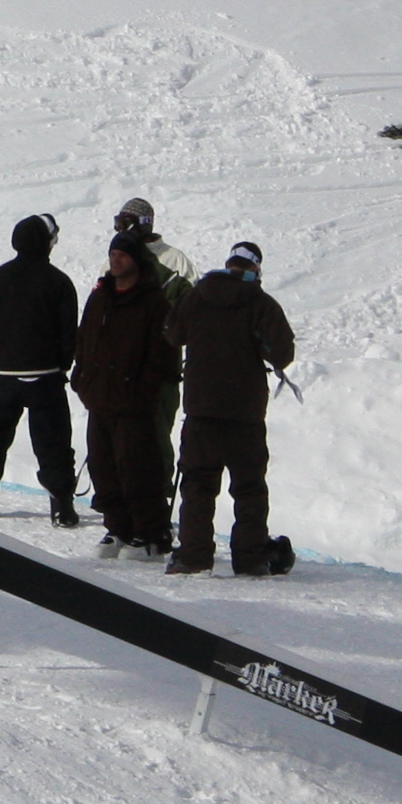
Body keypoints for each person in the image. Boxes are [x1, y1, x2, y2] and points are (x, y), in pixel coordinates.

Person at [169, 240, 296, 576]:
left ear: (229, 264)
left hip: (200, 409)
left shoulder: (197, 296)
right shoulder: (261, 302)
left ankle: (192, 557)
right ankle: (250, 557)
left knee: (197, 484)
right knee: (249, 486)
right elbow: (282, 353)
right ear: (254, 269)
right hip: (245, 413)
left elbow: (172, 332)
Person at [0, 215, 79, 524]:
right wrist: (60, 365)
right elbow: (70, 333)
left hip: (5, 377)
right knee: (53, 443)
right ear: (48, 242)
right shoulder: (59, 281)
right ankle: (62, 505)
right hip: (47, 377)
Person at [70, 235, 180, 559]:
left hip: (134, 404)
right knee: (103, 469)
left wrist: (142, 390)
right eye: (112, 254)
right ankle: (118, 528)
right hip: (100, 399)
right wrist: (82, 378)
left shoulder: (153, 301)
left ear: (137, 260)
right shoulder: (100, 296)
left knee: (138, 471)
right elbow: (83, 338)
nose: (116, 260)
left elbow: (163, 355)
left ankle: (152, 535)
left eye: (122, 255)